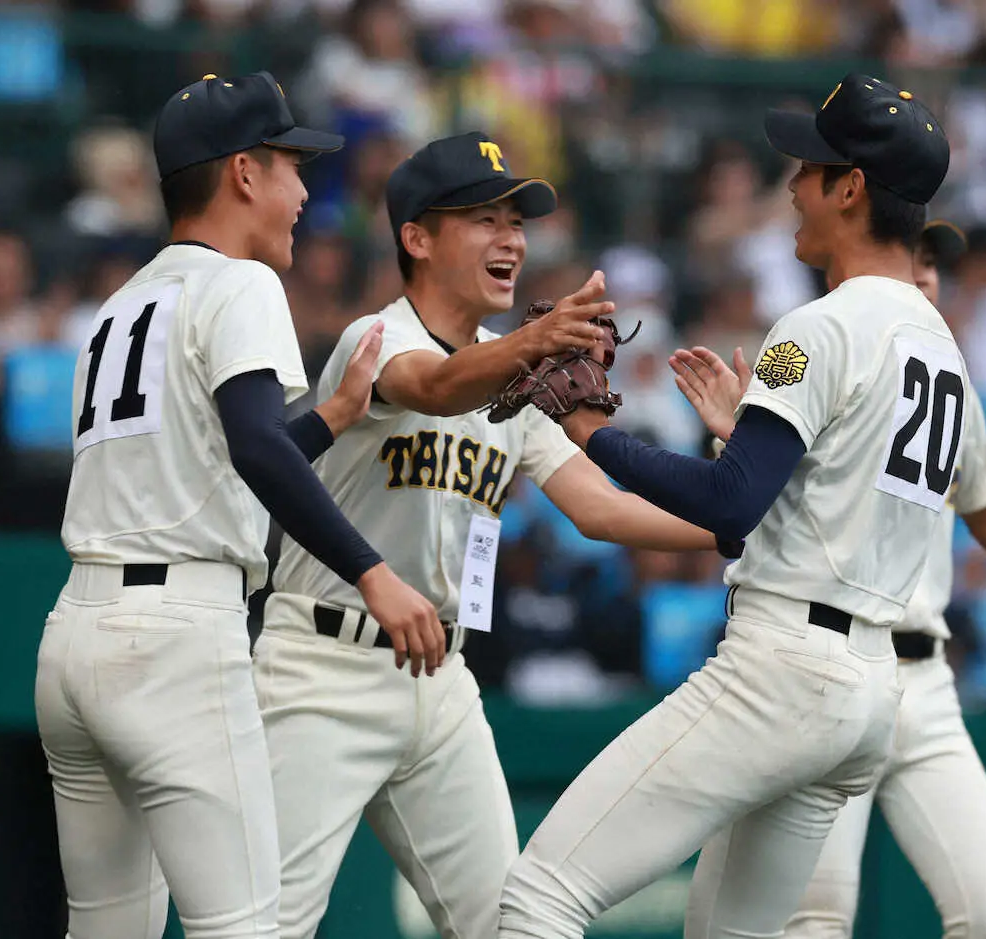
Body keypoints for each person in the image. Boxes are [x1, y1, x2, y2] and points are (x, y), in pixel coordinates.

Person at [494, 72, 963, 939]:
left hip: (783, 666)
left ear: (851, 187)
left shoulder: (816, 326)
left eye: (810, 168)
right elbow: (804, 491)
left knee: (535, 899)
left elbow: (727, 509)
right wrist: (741, 433)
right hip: (867, 692)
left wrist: (591, 426)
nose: (792, 185)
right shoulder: (944, 349)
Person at [252, 132, 725, 939]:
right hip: (320, 666)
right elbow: (430, 388)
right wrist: (533, 344)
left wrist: (730, 517)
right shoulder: (376, 339)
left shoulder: (515, 377)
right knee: (264, 926)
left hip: (440, 680)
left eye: (517, 220)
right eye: (484, 217)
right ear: (417, 236)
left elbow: (600, 509)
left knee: (509, 920)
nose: (512, 238)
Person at [33, 71, 449, 939]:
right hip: (177, 638)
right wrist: (372, 572)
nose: (304, 192)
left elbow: (214, 467)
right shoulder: (242, 283)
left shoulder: (119, 306)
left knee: (107, 930)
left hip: (77, 629)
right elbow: (256, 448)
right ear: (244, 175)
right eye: (293, 167)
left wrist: (332, 419)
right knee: (248, 928)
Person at [671, 219, 986, 939]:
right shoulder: (815, 341)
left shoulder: (943, 374)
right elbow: (748, 504)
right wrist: (732, 438)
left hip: (925, 684)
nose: (928, 275)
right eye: (916, 258)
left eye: (935, 264)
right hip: (828, 661)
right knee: (814, 920)